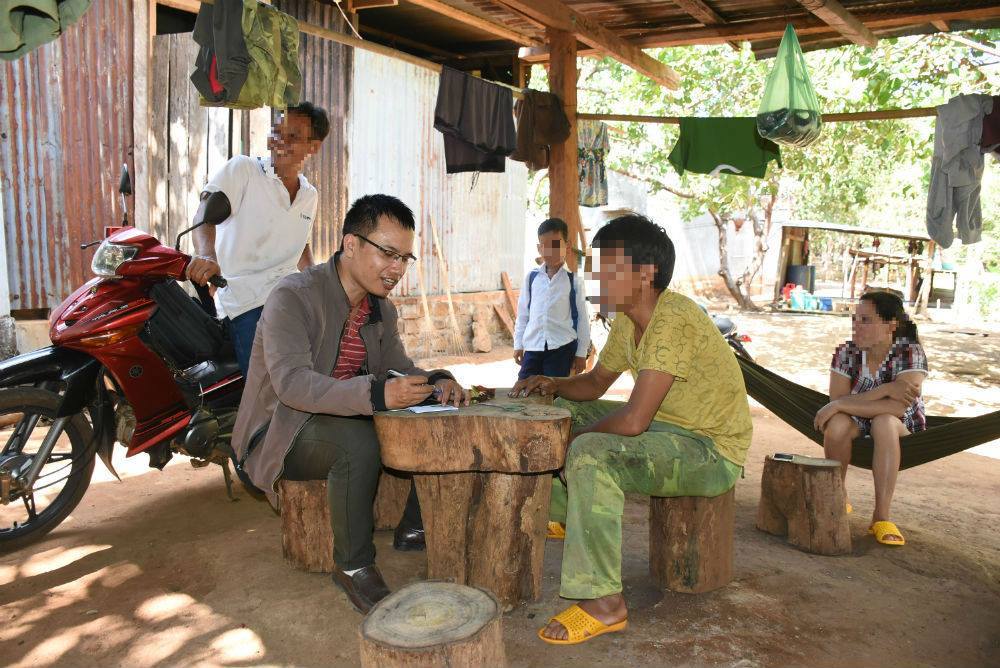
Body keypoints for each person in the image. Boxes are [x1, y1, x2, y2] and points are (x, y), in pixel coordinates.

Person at [511, 214, 752, 645]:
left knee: (590, 451)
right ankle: (567, 515)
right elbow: (595, 383)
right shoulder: (626, 318)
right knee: (560, 409)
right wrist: (553, 385)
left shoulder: (673, 316)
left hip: (710, 451)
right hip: (669, 432)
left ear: (644, 274)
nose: (595, 275)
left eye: (607, 266)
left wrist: (580, 444)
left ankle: (604, 604)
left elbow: (634, 420)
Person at [230, 194, 470, 613]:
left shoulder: (381, 311)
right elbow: (292, 384)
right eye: (388, 254)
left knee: (426, 417)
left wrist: (437, 381)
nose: (397, 269)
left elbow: (396, 367)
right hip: (279, 431)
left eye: (405, 259)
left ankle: (413, 525)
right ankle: (354, 566)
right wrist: (377, 395)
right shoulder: (293, 296)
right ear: (351, 244)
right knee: (358, 440)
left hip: (332, 420)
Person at [186, 102, 330, 375]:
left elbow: (301, 245)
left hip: (290, 297)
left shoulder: (309, 195)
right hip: (247, 301)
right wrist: (207, 255)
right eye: (277, 132)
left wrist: (321, 284)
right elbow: (203, 215)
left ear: (314, 146)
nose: (281, 142)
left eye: (294, 137)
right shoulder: (244, 170)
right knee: (270, 391)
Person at [815, 290, 927, 547]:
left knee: (884, 421)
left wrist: (844, 403)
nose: (856, 326)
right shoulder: (846, 352)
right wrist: (887, 389)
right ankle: (837, 496)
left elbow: (898, 408)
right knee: (837, 424)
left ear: (891, 325)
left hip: (901, 423)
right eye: (855, 319)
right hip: (856, 417)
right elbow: (838, 401)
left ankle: (881, 517)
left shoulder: (910, 352)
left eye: (865, 320)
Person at [513, 218, 591, 379]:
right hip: (533, 347)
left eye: (556, 245)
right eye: (545, 246)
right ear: (539, 248)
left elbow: (583, 319)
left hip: (561, 349)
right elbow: (523, 315)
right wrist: (518, 344)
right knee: (524, 388)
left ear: (567, 246)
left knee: (553, 392)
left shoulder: (574, 281)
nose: (551, 251)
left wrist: (581, 353)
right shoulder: (531, 278)